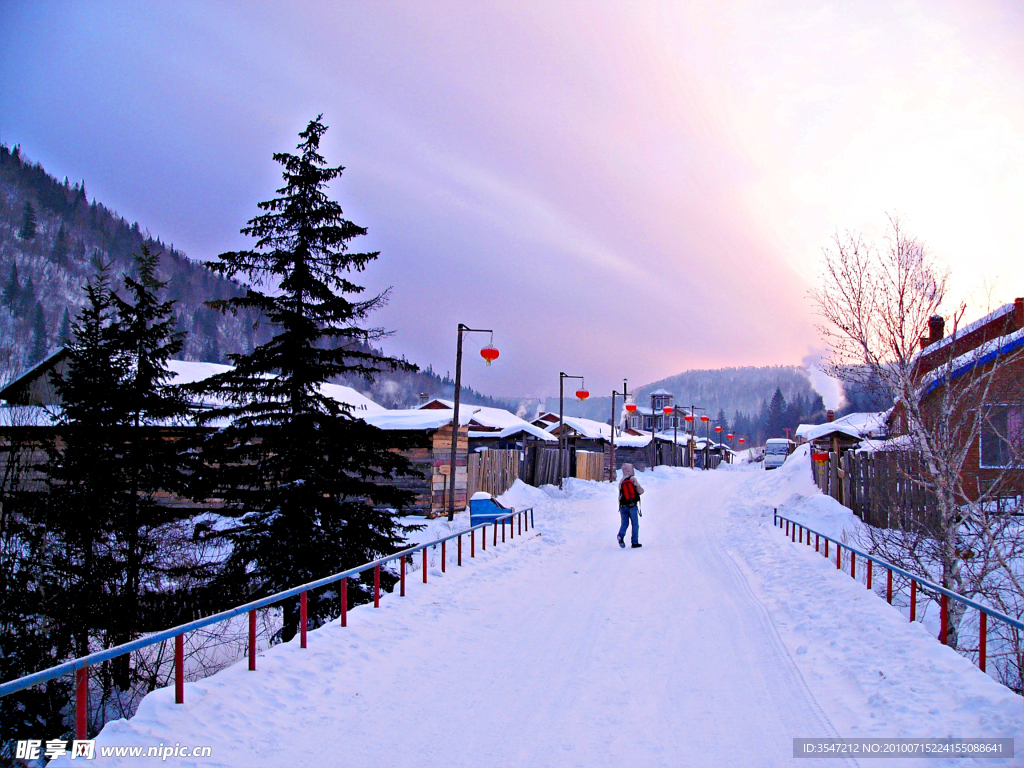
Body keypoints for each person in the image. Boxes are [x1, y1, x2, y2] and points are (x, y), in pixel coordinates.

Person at [617, 463, 644, 548]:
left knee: (624, 523)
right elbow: (641, 491)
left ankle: (620, 535)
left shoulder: (621, 481)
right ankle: (634, 542)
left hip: (622, 506)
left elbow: (620, 495)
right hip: (632, 506)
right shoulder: (633, 479)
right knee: (635, 524)